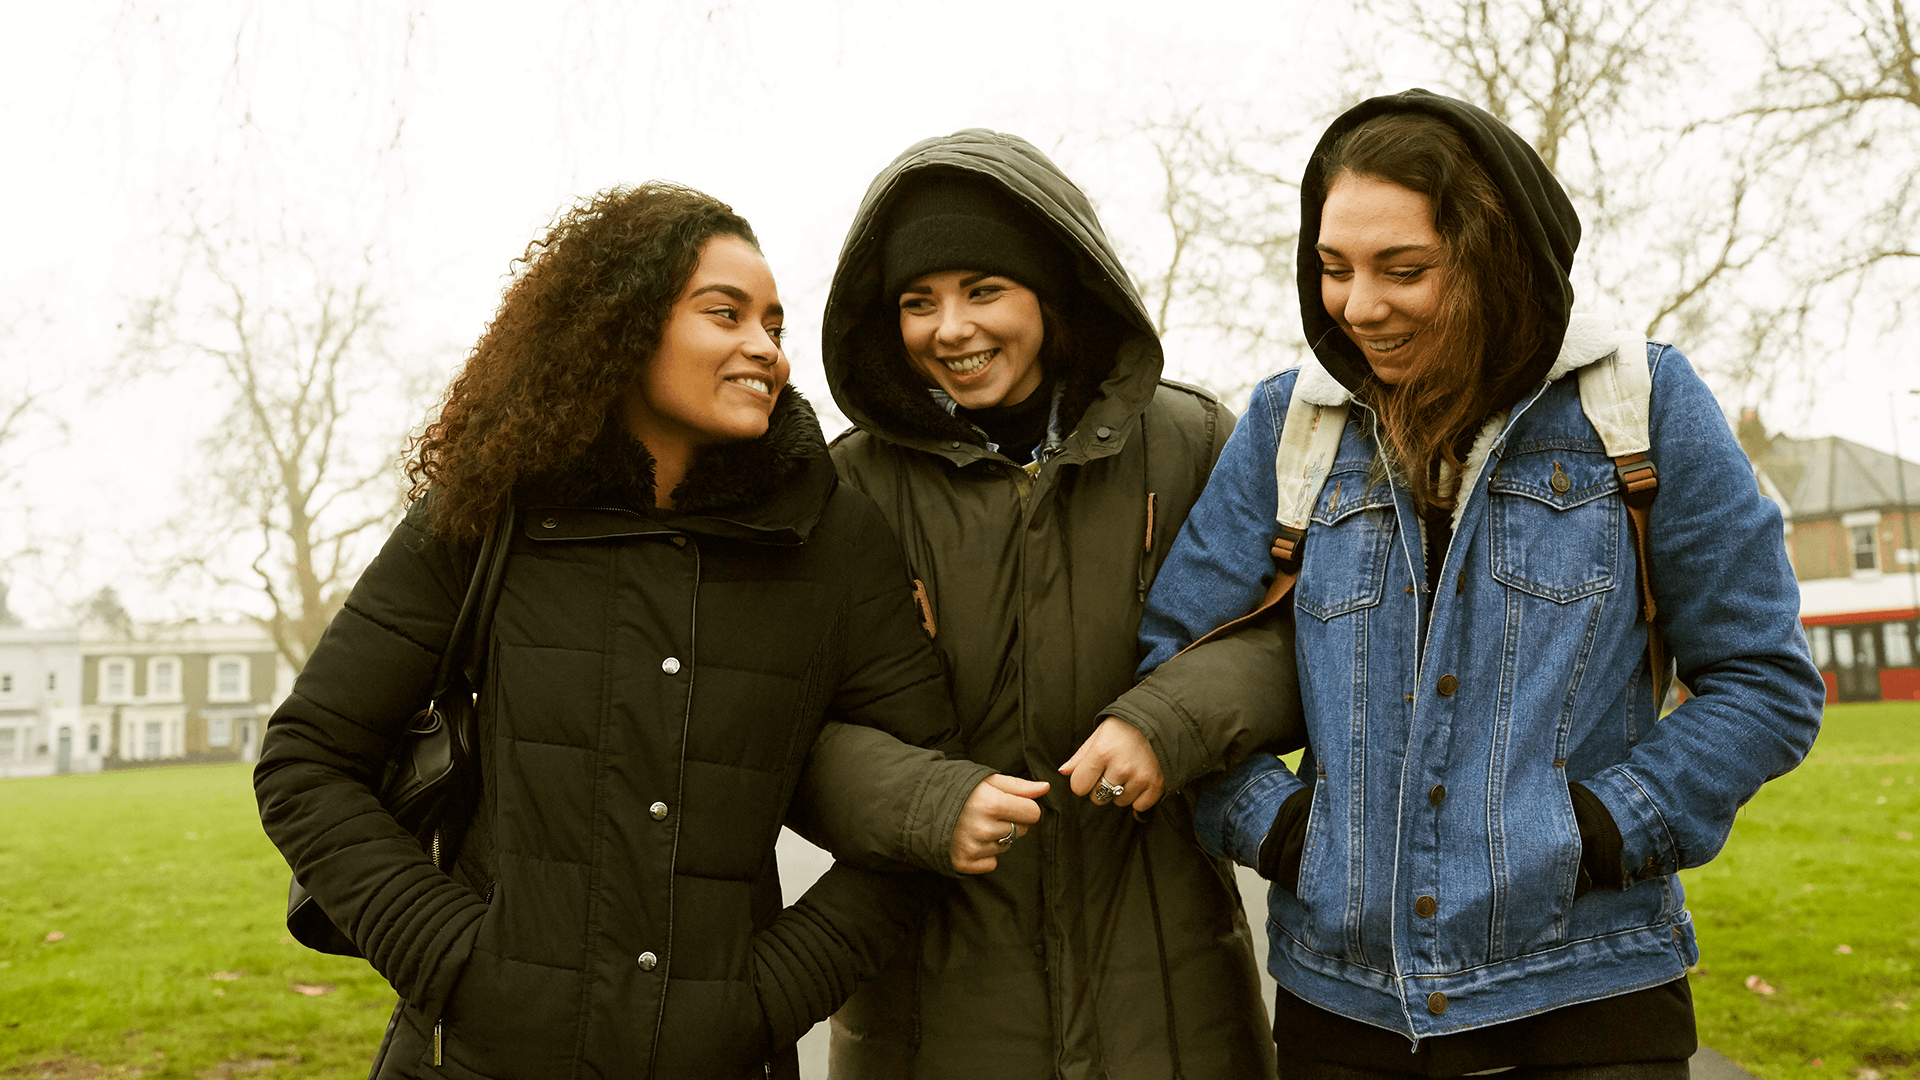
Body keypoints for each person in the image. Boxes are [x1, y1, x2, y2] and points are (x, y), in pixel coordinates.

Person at [1112, 89, 1826, 1078]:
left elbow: (1764, 682)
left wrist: (1597, 832)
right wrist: (1280, 831)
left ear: (1498, 255)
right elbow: (1173, 665)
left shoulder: (1644, 406)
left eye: (1403, 269)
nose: (1360, 305)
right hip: (1342, 1011)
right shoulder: (1288, 425)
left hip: (1592, 996)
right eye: (1333, 268)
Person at [254, 182, 1003, 1079]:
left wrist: (765, 996)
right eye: (724, 315)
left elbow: (924, 812)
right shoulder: (491, 512)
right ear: (622, 325)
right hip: (474, 1057)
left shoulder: (834, 538)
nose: (763, 348)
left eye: (773, 326)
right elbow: (307, 762)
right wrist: (453, 959)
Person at [787, 129, 1279, 1079]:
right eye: (917, 302)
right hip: (930, 1017)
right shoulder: (845, 490)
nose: (950, 329)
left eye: (983, 290)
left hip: (1172, 1015)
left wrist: (1164, 724)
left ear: (1051, 290)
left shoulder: (1190, 441)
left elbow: (1283, 634)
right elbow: (784, 724)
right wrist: (927, 801)